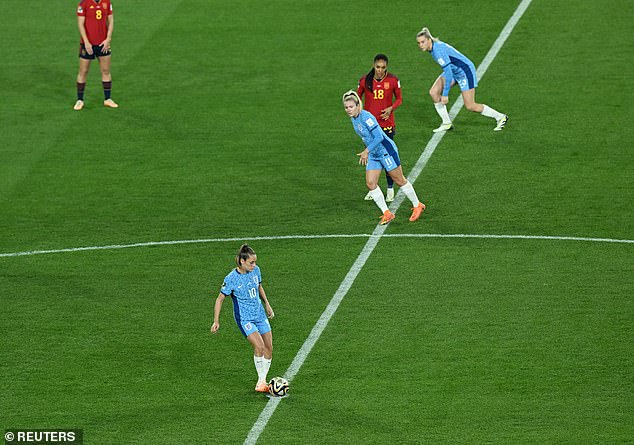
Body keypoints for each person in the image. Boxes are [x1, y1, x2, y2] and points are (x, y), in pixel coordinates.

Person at [343, 90, 426, 225]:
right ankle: (387, 213)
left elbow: (379, 137)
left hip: (386, 151)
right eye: (346, 107)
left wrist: (366, 151)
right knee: (371, 183)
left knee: (399, 180)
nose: (348, 110)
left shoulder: (366, 117)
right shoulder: (354, 119)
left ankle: (417, 205)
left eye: (351, 107)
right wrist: (370, 152)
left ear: (358, 105)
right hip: (375, 154)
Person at [415, 27, 507, 132]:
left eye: (422, 42)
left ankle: (500, 117)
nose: (420, 45)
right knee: (434, 92)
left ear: (429, 40)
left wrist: (445, 94)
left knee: (470, 105)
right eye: (419, 43)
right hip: (455, 71)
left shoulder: (437, 51)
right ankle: (446, 123)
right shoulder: (433, 47)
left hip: (464, 72)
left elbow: (448, 73)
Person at [211, 244, 275, 393]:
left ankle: (263, 380)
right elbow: (220, 299)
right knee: (259, 346)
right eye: (251, 262)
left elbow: (259, 287)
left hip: (259, 314)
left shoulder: (256, 271)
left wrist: (267, 304)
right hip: (245, 318)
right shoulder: (231, 278)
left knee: (269, 348)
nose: (254, 265)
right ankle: (261, 383)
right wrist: (216, 320)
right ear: (242, 261)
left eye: (255, 262)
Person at [357, 54, 403, 203]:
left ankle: (390, 189)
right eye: (378, 67)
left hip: (387, 124)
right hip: (370, 128)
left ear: (386, 67)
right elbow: (357, 99)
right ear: (374, 65)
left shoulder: (393, 80)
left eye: (383, 68)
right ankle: (373, 189)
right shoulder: (365, 81)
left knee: (387, 159)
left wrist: (391, 108)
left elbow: (400, 99)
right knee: (372, 157)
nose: (380, 70)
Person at [73, 0, 118, 110]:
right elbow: (80, 24)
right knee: (83, 71)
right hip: (87, 44)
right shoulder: (84, 3)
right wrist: (86, 42)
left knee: (106, 71)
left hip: (103, 44)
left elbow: (111, 20)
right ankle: (80, 100)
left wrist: (108, 39)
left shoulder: (107, 2)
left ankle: (107, 99)